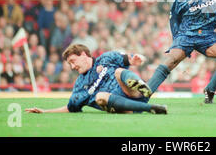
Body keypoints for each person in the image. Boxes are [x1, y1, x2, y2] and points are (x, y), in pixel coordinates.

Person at [25, 44, 167, 114]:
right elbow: (69, 108)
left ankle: (143, 91)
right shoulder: (80, 86)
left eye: (73, 61)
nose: (72, 66)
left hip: (131, 92)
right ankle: (149, 107)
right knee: (100, 96)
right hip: (124, 109)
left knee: (118, 71)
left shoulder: (106, 58)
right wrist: (45, 111)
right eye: (69, 64)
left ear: (83, 54)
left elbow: (130, 60)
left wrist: (137, 59)